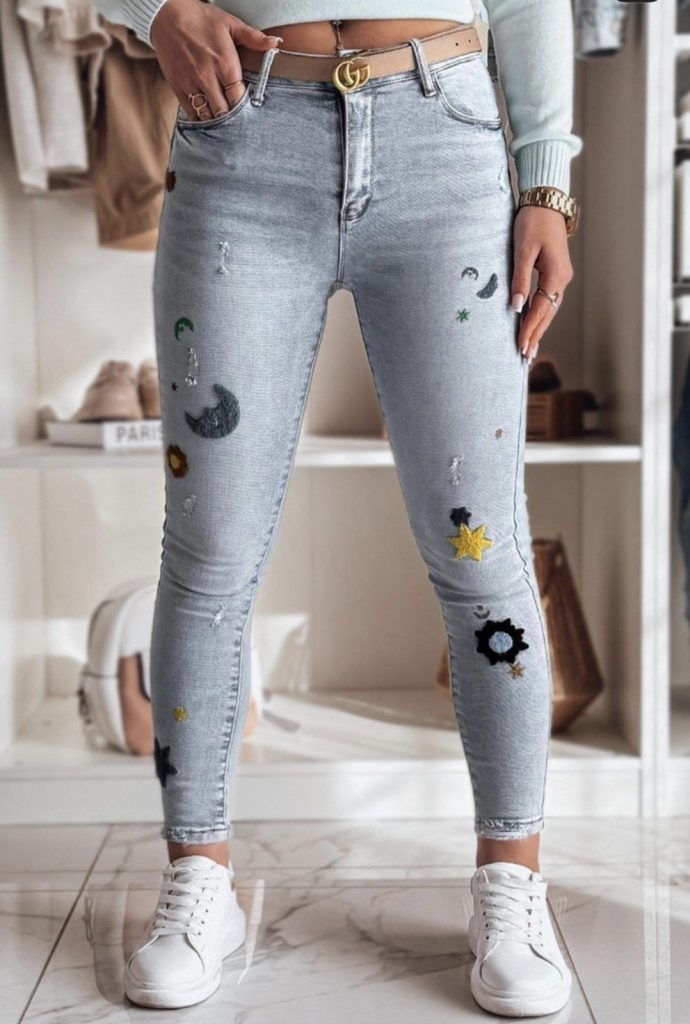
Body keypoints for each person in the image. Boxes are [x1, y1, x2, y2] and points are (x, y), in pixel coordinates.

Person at [89, 0, 583, 1015]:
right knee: (209, 551)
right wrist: (154, 11)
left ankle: (511, 885)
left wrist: (545, 181)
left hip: (444, 143)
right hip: (242, 140)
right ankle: (199, 879)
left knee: (480, 547)